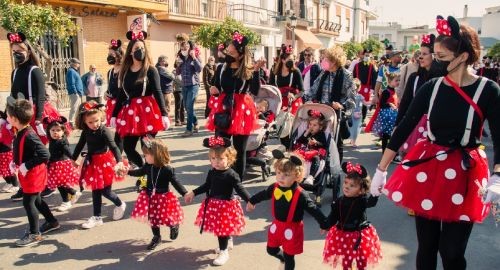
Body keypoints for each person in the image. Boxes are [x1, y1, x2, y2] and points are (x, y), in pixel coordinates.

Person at [370, 15, 500, 270]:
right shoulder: (432, 88)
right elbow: (404, 127)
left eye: (441, 57)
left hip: (465, 172)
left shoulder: (488, 90)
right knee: (427, 247)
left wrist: (498, 176)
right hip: (428, 169)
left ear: (462, 57)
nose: (434, 62)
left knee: (452, 252)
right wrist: (381, 170)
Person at [246, 150, 326, 270]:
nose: (281, 177)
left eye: (286, 175)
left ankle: (286, 262)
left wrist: (323, 223)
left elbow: (313, 209)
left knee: (290, 257)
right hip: (277, 225)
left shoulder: (301, 194)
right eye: (278, 173)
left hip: (293, 229)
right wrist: (252, 201)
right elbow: (263, 194)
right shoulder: (275, 187)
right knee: (271, 249)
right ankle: (281, 258)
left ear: (297, 176)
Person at [184, 136, 252, 266]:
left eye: (221, 158)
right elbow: (206, 186)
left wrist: (250, 200)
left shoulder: (232, 174)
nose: (216, 162)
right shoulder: (212, 172)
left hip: (226, 206)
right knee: (221, 229)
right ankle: (228, 241)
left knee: (222, 230)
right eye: (213, 159)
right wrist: (193, 192)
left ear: (229, 159)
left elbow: (240, 188)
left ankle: (224, 251)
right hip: (214, 205)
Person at [206, 31, 264, 179]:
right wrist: (214, 90)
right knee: (219, 145)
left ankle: (236, 183)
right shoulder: (221, 68)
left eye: (231, 52)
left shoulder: (248, 69)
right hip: (223, 109)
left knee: (239, 149)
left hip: (242, 110)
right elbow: (216, 87)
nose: (228, 54)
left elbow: (255, 90)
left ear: (239, 54)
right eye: (227, 51)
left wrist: (257, 71)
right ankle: (219, 178)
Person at [6, 97, 60, 247]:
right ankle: (52, 221)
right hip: (29, 173)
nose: (7, 118)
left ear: (15, 119)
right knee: (37, 201)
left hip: (34, 174)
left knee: (28, 203)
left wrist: (26, 165)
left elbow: (45, 154)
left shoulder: (29, 134)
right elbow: (21, 149)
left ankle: (34, 233)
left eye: (8, 116)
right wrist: (14, 162)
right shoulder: (20, 130)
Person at [110, 31, 169, 169]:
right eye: (136, 49)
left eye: (142, 48)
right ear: (130, 51)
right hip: (131, 113)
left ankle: (150, 176)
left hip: (147, 112)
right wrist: (114, 114)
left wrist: (164, 114)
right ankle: (144, 170)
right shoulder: (124, 71)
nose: (140, 51)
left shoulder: (151, 70)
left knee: (147, 147)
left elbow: (158, 91)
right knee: (128, 147)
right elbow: (121, 95)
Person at [73, 101, 127, 229]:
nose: (94, 124)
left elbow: (114, 146)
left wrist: (119, 161)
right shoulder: (85, 131)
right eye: (90, 122)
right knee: (95, 190)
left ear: (101, 117)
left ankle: (120, 204)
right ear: (84, 122)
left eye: (96, 121)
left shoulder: (104, 130)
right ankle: (97, 217)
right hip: (92, 162)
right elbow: (79, 146)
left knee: (105, 191)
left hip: (105, 163)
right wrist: (72, 159)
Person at [128, 137, 187, 251]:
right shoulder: (148, 166)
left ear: (156, 155)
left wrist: (184, 193)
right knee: (153, 218)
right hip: (150, 196)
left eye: (146, 155)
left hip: (164, 197)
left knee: (167, 217)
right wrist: (128, 172)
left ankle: (173, 225)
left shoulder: (167, 169)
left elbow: (176, 182)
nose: (144, 157)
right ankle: (156, 237)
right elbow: (139, 172)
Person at [322, 162, 382, 270]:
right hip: (342, 235)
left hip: (359, 235)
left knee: (361, 260)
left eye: (352, 185)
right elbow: (333, 216)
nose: (346, 187)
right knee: (346, 260)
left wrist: (376, 193)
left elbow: (371, 203)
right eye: (346, 183)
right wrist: (326, 225)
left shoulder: (362, 200)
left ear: (361, 190)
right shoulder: (338, 201)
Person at [396, 34, 446, 156]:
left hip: (437, 128)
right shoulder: (414, 78)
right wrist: (397, 126)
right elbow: (405, 103)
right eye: (419, 54)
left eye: (424, 54)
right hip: (416, 126)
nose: (420, 57)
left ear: (434, 56)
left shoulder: (443, 79)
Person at [305, 45, 357, 163]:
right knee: (318, 140)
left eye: (326, 59)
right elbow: (313, 90)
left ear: (334, 61)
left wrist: (341, 105)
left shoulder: (346, 75)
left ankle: (335, 168)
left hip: (335, 114)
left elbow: (352, 99)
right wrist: (306, 101)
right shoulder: (323, 73)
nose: (323, 60)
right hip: (321, 113)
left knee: (336, 143)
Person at [44, 116, 81, 212]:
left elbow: (68, 151)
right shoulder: (53, 140)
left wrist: (74, 159)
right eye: (53, 130)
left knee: (61, 184)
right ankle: (70, 196)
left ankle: (68, 199)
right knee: (60, 184)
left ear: (63, 131)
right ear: (49, 131)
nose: (55, 132)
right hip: (55, 164)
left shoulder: (61, 142)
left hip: (61, 165)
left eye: (58, 130)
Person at [292, 110, 328, 186]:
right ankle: (293, 173)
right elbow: (299, 141)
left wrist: (316, 143)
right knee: (295, 156)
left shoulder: (321, 134)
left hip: (315, 153)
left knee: (316, 158)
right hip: (305, 152)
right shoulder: (307, 133)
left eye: (314, 125)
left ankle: (310, 177)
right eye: (310, 124)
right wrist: (306, 133)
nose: (311, 127)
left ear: (320, 127)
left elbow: (324, 145)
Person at [176, 39, 202, 137]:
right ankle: (195, 122)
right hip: (184, 85)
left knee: (189, 106)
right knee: (187, 107)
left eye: (185, 47)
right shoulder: (181, 58)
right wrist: (178, 65)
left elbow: (199, 69)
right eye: (182, 48)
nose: (184, 49)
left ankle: (189, 129)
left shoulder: (194, 56)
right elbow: (178, 72)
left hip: (194, 85)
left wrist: (194, 57)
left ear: (189, 48)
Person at [270, 44, 304, 116]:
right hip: (278, 101)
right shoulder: (274, 71)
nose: (292, 62)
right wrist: (282, 94)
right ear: (283, 60)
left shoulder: (296, 71)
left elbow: (302, 91)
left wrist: (294, 97)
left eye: (293, 60)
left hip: (292, 102)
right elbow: (271, 88)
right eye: (289, 60)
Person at [371, 72, 400, 154]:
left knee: (390, 136)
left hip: (392, 117)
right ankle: (385, 152)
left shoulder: (394, 91)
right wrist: (389, 104)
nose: (398, 82)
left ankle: (390, 153)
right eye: (396, 80)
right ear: (390, 81)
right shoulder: (386, 92)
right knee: (386, 136)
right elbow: (381, 104)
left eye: (398, 80)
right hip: (387, 117)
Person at [105, 39, 124, 154]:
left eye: (111, 55)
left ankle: (119, 157)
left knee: (120, 133)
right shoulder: (110, 72)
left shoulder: (124, 70)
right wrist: (106, 94)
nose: (109, 57)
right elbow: (110, 88)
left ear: (119, 55)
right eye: (108, 55)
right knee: (116, 132)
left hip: (121, 104)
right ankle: (118, 157)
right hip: (111, 104)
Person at [352, 49, 377, 124]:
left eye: (368, 55)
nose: (367, 57)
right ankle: (355, 117)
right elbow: (353, 76)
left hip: (367, 88)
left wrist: (372, 88)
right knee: (356, 103)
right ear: (362, 55)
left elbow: (374, 77)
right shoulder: (357, 65)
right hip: (357, 87)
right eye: (366, 55)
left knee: (365, 104)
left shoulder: (371, 66)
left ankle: (363, 119)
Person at [0, 111, 19, 194]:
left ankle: (15, 185)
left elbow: (10, 137)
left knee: (10, 169)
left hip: (6, 152)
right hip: (1, 152)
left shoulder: (7, 126)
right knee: (2, 170)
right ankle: (8, 183)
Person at [66, 57, 84, 127]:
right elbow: (71, 83)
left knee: (77, 108)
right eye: (78, 63)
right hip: (74, 93)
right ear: (74, 64)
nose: (79, 64)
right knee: (74, 108)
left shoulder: (74, 71)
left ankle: (76, 123)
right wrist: (75, 92)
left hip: (78, 93)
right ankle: (71, 122)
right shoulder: (71, 71)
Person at [349, 79, 364, 147]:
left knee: (351, 128)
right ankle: (353, 142)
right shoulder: (360, 96)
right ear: (359, 87)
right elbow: (366, 104)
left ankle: (351, 140)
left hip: (350, 114)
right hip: (358, 115)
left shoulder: (349, 96)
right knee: (356, 129)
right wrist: (372, 102)